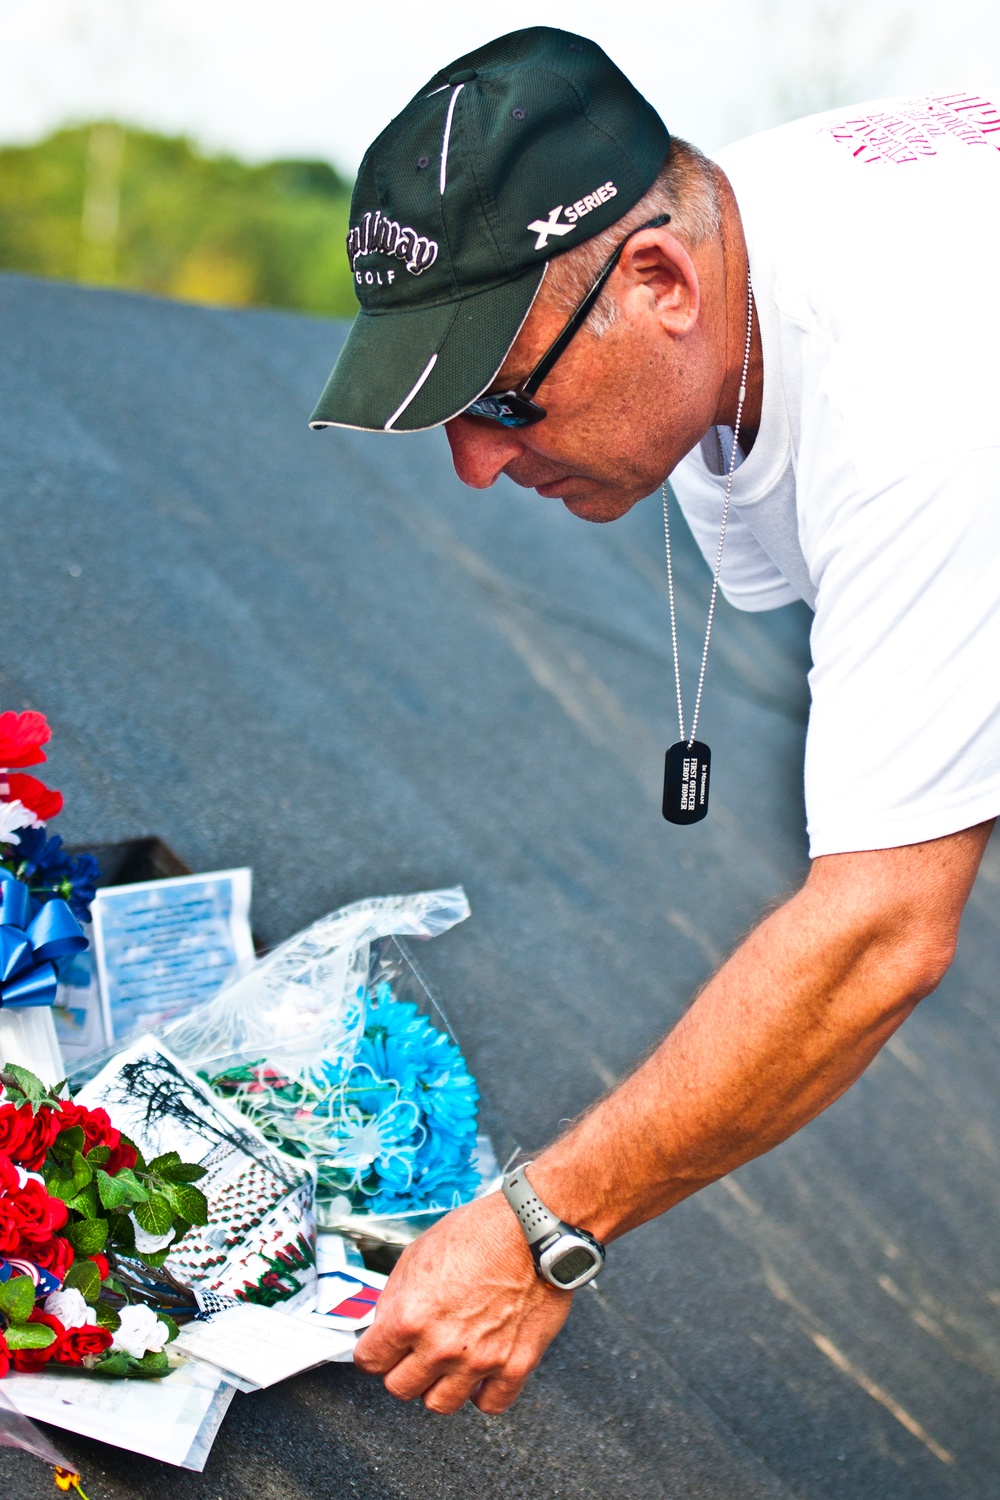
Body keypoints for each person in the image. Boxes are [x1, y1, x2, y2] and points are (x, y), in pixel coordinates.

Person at [309, 26, 1000, 1416]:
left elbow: (881, 933)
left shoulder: (925, 394)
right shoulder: (722, 239)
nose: (478, 462)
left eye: (502, 396)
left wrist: (539, 1231)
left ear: (662, 284)